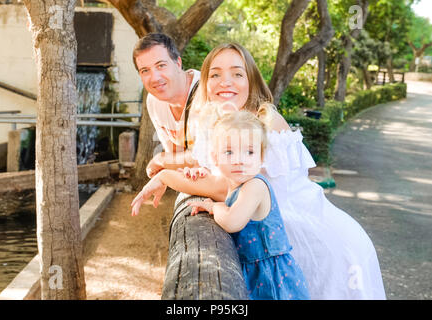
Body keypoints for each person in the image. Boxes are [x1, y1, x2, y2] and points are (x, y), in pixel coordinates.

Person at [132, 42, 386, 300]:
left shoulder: (265, 122)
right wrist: (185, 167)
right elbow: (213, 169)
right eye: (215, 74)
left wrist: (166, 176)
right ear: (206, 83)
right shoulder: (219, 123)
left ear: (251, 80)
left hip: (323, 245)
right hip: (278, 243)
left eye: (237, 73)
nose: (224, 82)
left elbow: (225, 188)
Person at [132, 33, 201, 178]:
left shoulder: (208, 91)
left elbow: (212, 155)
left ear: (178, 63)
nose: (155, 78)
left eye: (161, 65)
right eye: (145, 70)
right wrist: (166, 175)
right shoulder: (154, 101)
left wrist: (161, 160)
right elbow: (175, 156)